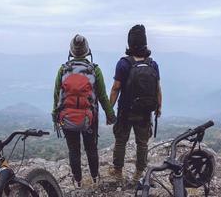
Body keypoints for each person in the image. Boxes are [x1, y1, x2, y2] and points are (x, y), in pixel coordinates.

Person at [52, 34, 116, 188]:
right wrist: (110, 115)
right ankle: (95, 178)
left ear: (71, 51)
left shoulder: (63, 69)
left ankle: (78, 182)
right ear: (87, 51)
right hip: (89, 119)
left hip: (67, 118)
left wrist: (55, 115)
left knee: (74, 151)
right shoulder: (94, 70)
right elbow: (101, 96)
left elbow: (56, 95)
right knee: (91, 148)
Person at [108, 24, 162, 182]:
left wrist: (109, 110)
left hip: (126, 111)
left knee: (121, 141)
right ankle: (139, 173)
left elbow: (116, 88)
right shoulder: (152, 64)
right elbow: (158, 88)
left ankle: (118, 171)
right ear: (145, 43)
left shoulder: (124, 63)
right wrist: (159, 107)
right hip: (145, 111)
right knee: (142, 143)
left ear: (129, 43)